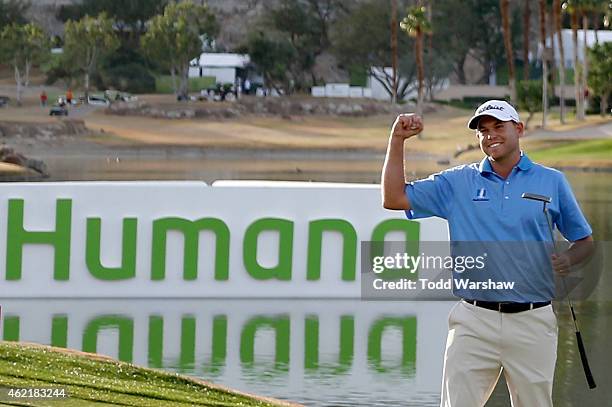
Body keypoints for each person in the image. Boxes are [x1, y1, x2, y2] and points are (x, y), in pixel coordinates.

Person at [381, 100, 594, 407]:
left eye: (498, 127)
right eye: (483, 130)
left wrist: (568, 259)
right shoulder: (456, 183)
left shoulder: (552, 181)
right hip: (473, 321)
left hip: (532, 320)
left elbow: (585, 241)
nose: (490, 135)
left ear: (518, 129)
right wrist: (397, 140)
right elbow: (394, 197)